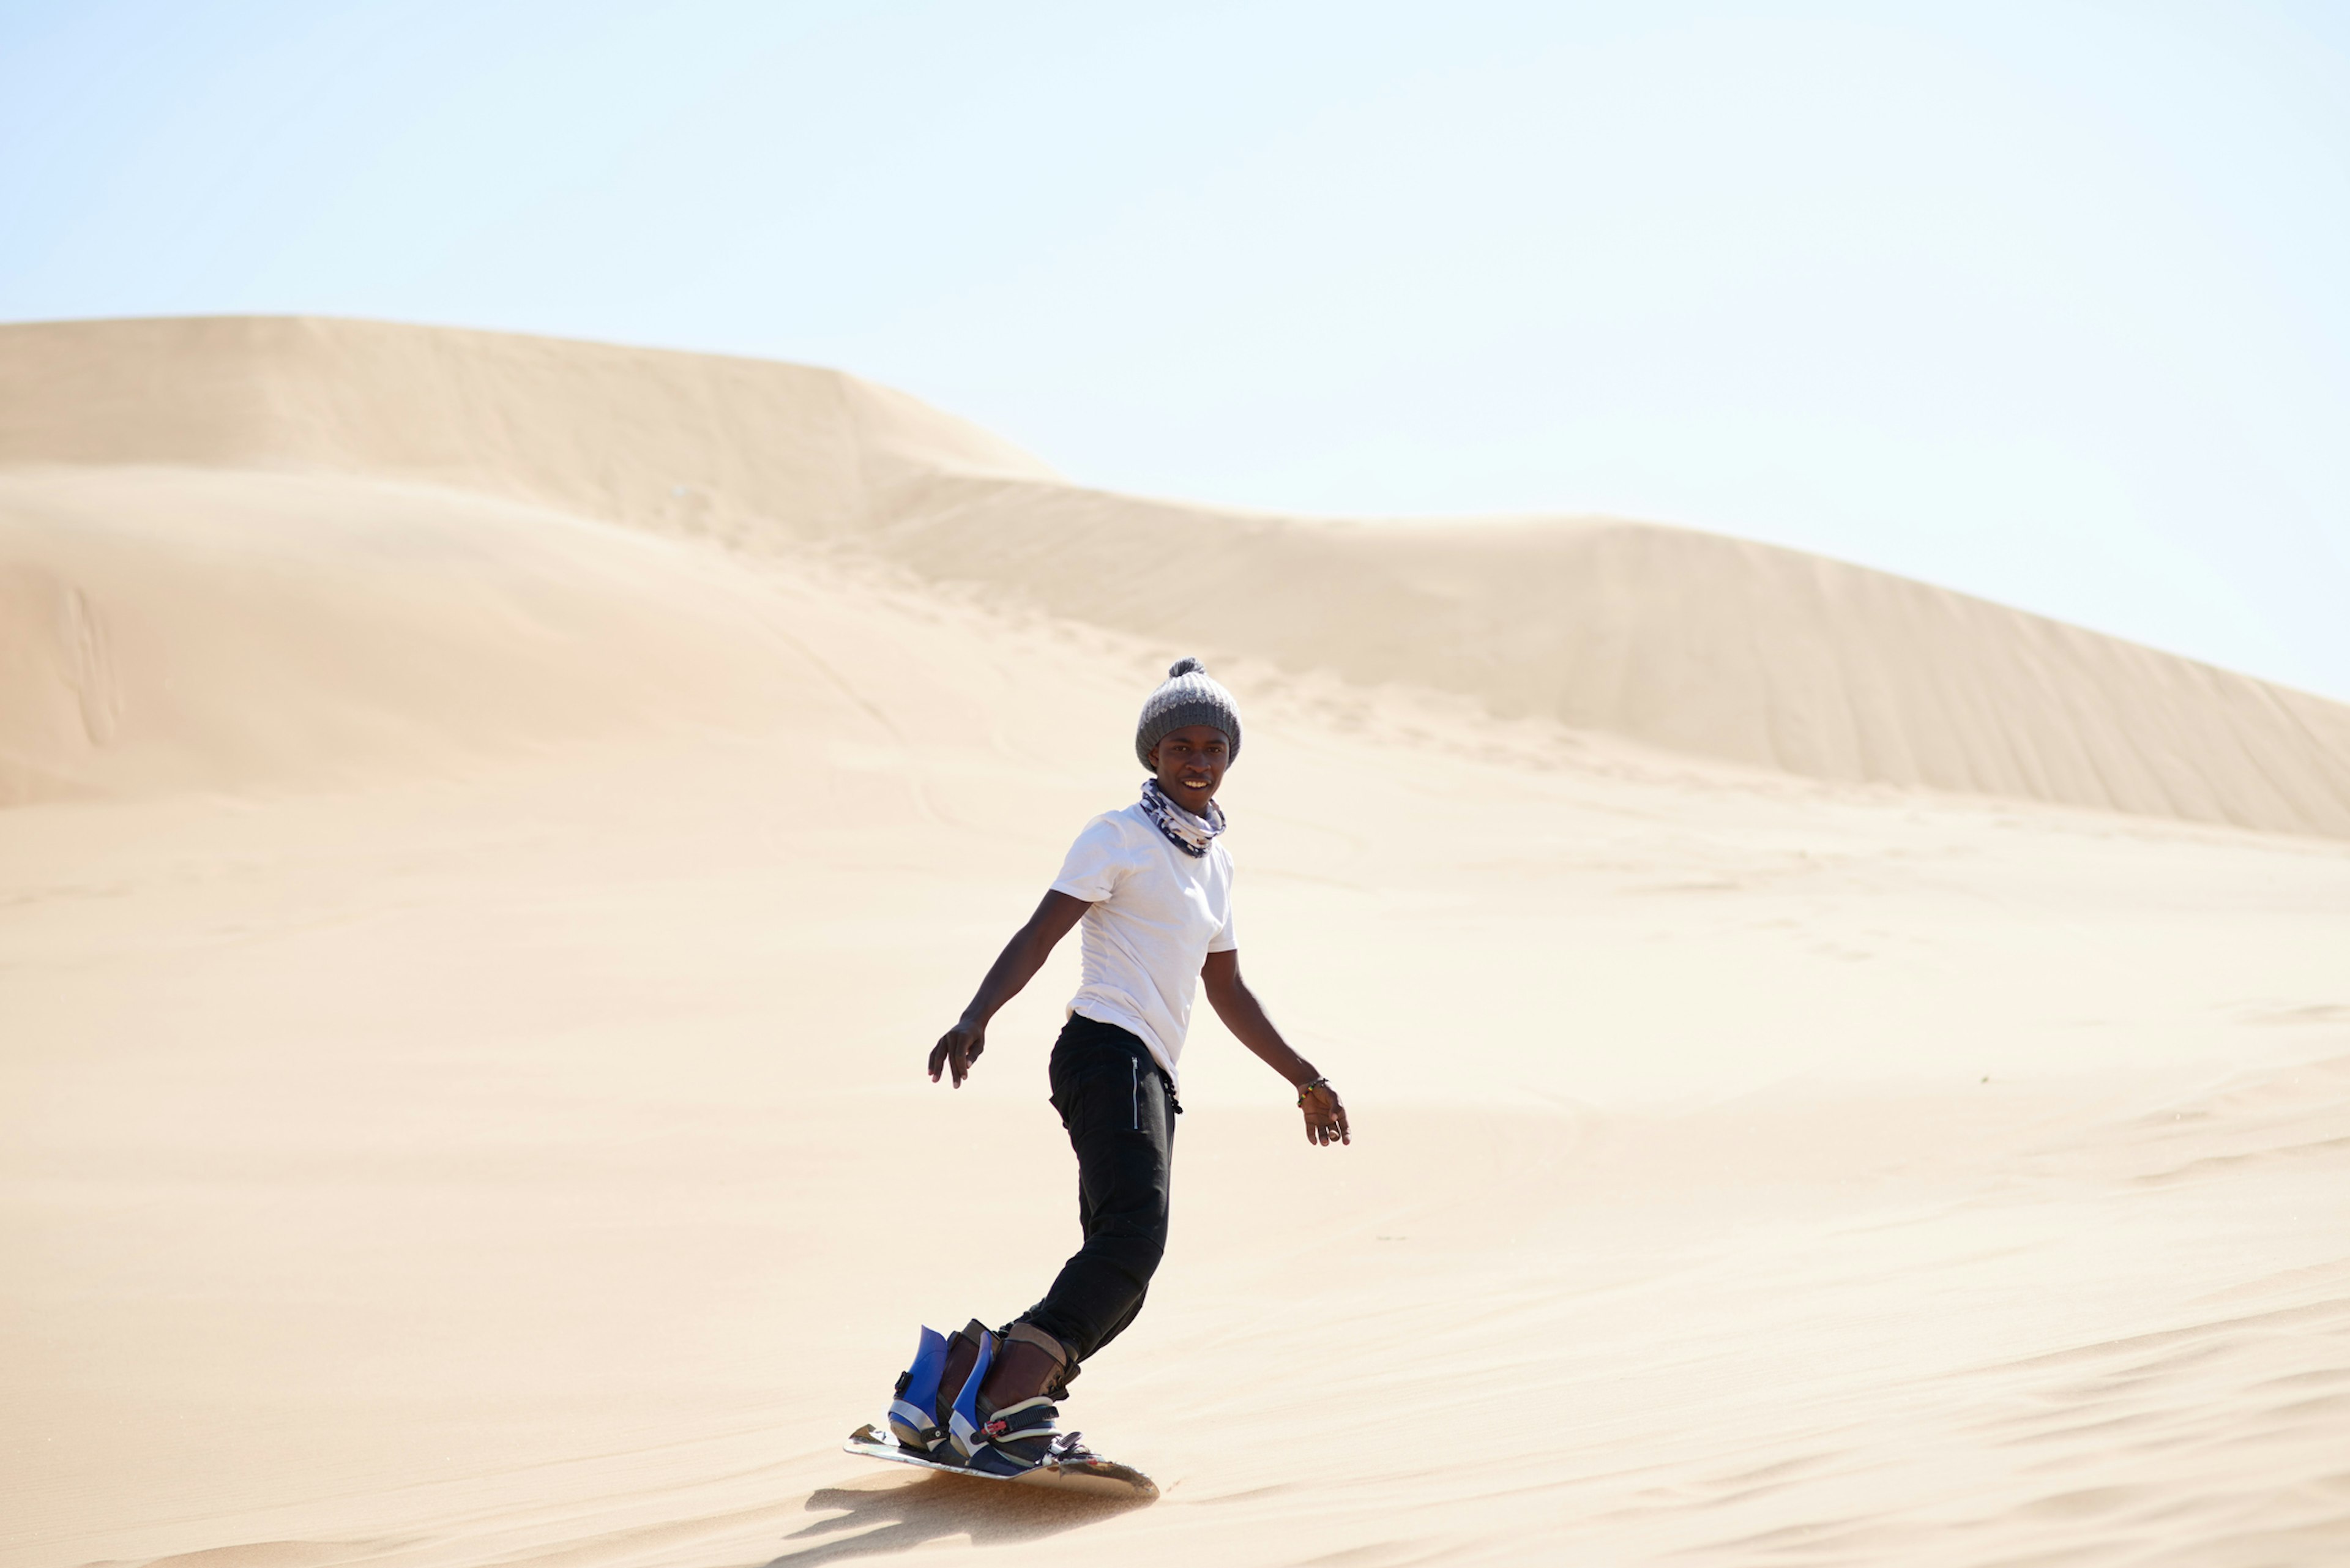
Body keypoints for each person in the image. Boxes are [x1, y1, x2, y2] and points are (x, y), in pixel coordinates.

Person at [881, 658, 1351, 1475]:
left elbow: (1226, 985)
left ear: (1229, 757)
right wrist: (976, 1013)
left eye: (1212, 746)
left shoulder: (1215, 861)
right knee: (1135, 1236)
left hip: (1148, 1069)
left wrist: (1305, 1077)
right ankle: (1003, 1407)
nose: (1197, 760)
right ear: (1152, 754)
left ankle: (957, 1382)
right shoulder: (1119, 835)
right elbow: (1043, 931)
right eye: (1179, 745)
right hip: (1107, 1047)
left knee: (1120, 1264)